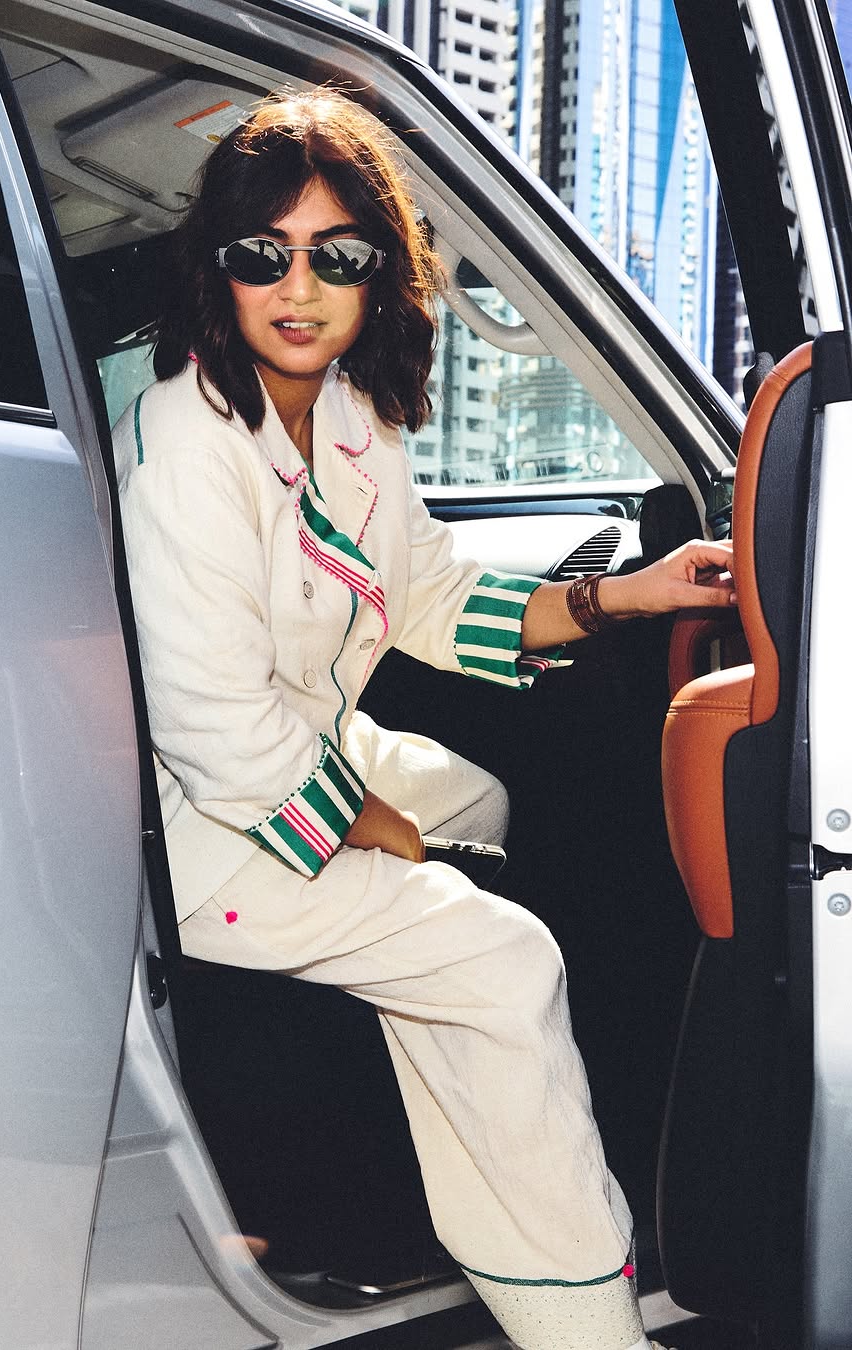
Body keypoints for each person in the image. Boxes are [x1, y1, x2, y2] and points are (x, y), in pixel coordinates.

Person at [115, 87, 735, 1350]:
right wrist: (377, 831)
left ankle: (420, 1079)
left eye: (336, 257)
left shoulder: (351, 418)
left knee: (478, 802)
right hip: (209, 820)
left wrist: (629, 594)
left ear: (378, 273)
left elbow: (429, 593)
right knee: (507, 961)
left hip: (299, 744)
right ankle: (579, 1319)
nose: (299, 289)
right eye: (262, 254)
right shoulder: (186, 442)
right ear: (218, 270)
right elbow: (215, 728)